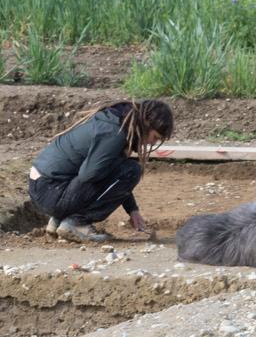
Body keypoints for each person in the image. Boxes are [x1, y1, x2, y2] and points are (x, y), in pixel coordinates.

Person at [28, 97, 173, 245]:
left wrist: (132, 209)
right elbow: (89, 174)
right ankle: (76, 223)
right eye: (155, 137)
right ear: (146, 123)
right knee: (132, 170)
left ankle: (59, 219)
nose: (152, 143)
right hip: (51, 191)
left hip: (44, 187)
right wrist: (120, 158)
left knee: (121, 168)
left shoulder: (113, 121)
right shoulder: (114, 133)